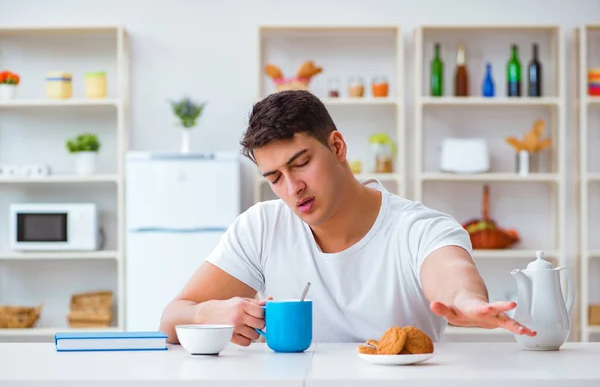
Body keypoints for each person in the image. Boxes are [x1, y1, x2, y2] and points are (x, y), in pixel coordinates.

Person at [159, 90, 536, 346]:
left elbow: (451, 275)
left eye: (301, 163)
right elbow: (171, 318)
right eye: (274, 178)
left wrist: (465, 302)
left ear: (337, 146)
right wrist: (211, 313)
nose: (292, 188)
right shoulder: (262, 227)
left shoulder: (417, 227)